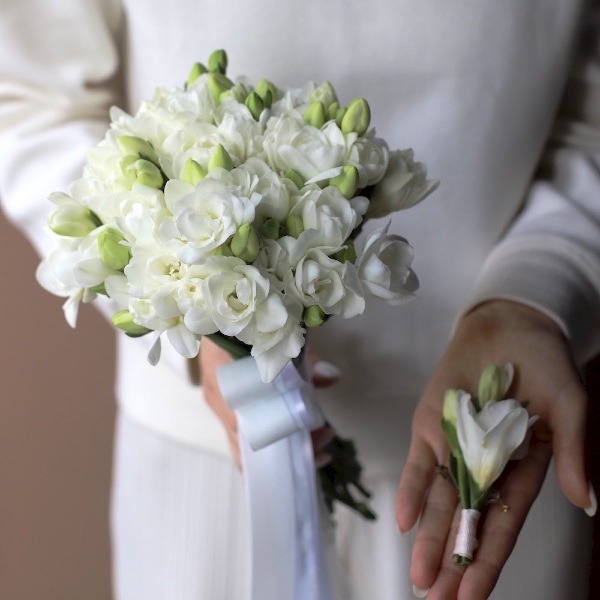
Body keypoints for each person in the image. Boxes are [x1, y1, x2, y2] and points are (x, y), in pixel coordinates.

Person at [1, 1, 599, 599]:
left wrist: (538, 287)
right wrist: (196, 316)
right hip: (209, 462)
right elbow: (24, 98)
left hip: (495, 440)